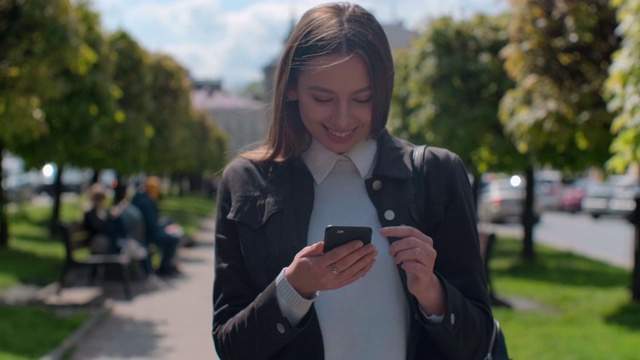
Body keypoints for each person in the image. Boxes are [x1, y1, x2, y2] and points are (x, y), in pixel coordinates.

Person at [212, 3, 493, 359]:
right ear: (292, 88)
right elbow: (230, 347)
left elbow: (479, 342)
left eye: (363, 98)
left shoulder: (438, 174)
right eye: (323, 98)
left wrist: (431, 291)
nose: (342, 119)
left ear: (385, 89)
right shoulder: (246, 180)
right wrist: (293, 289)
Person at [131, 176, 182, 276]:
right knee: (174, 239)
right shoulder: (148, 202)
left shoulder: (139, 198)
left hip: (143, 231)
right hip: (147, 234)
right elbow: (152, 225)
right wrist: (165, 230)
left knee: (169, 222)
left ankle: (169, 265)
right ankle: (164, 267)